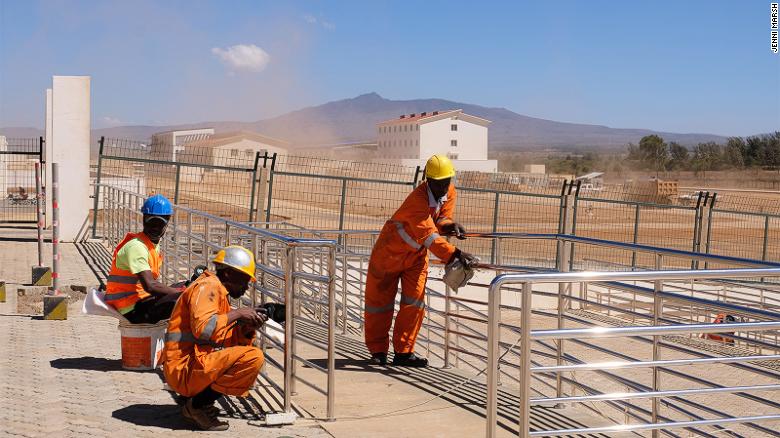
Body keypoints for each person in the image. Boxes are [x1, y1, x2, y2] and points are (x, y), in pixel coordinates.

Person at [364, 154, 476, 367]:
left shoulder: (450, 192)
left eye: (447, 182)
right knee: (379, 305)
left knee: (414, 302)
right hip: (389, 253)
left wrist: (450, 225)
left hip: (415, 257)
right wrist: (456, 254)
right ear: (428, 180)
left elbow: (441, 218)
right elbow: (429, 236)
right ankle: (378, 351)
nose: (444, 187)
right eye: (440, 183)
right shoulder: (417, 200)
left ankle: (404, 353)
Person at [163, 245, 266, 431]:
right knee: (253, 357)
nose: (246, 286)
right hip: (183, 368)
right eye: (244, 280)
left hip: (191, 363)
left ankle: (193, 399)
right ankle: (197, 405)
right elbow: (203, 331)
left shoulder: (218, 292)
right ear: (227, 274)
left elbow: (223, 336)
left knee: (247, 352)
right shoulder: (208, 287)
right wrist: (238, 314)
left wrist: (247, 329)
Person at [104, 194, 182, 324]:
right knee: (185, 298)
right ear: (144, 219)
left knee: (183, 286)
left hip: (139, 300)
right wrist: (183, 292)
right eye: (151, 222)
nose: (154, 228)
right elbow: (150, 286)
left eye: (159, 224)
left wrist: (183, 288)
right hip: (130, 308)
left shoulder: (150, 244)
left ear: (167, 223)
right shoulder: (137, 247)